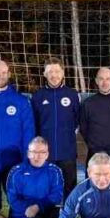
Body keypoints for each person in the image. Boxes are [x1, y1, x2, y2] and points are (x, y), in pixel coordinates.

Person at [6, 137, 65, 218]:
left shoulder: (54, 171)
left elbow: (57, 196)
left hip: (45, 214)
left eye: (42, 152)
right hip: (23, 215)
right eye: (34, 152)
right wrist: (28, 209)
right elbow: (12, 199)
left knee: (57, 214)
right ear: (28, 153)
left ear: (47, 154)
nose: (37, 156)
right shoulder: (16, 171)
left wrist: (38, 206)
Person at [32, 57, 80, 196]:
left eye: (57, 71)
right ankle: (48, 217)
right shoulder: (38, 96)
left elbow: (77, 120)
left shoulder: (72, 94)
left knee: (69, 189)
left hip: (67, 152)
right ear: (44, 74)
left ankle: (68, 217)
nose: (54, 75)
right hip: (45, 154)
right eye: (50, 71)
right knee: (46, 190)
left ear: (63, 73)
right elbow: (34, 124)